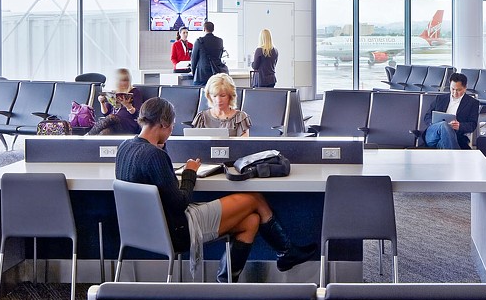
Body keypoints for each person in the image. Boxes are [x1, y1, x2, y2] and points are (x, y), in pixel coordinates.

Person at [115, 97, 318, 282]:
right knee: (254, 198)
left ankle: (226, 283)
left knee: (251, 220)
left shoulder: (125, 147)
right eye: (171, 128)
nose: (170, 132)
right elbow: (179, 203)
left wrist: (162, 145)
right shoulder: (154, 157)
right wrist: (190, 172)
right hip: (178, 230)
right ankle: (286, 251)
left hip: (144, 229)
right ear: (164, 124)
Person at [421, 72, 479, 149]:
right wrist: (434, 123)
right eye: (452, 89)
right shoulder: (440, 99)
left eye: (458, 90)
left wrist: (459, 126)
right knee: (444, 125)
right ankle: (456, 155)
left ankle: (452, 156)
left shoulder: (472, 103)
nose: (455, 92)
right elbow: (427, 116)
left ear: (465, 88)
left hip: (455, 136)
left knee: (442, 143)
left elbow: (472, 125)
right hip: (433, 134)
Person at [87, 68, 141, 135]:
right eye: (121, 80)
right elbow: (106, 113)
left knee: (112, 117)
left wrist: (128, 105)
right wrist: (102, 103)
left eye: (126, 80)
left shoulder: (135, 92)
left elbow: (138, 114)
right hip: (114, 123)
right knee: (104, 133)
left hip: (128, 124)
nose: (124, 83)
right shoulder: (113, 93)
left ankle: (87, 136)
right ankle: (88, 143)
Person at [191, 21, 226, 87]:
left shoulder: (199, 41)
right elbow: (220, 56)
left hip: (202, 75)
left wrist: (193, 73)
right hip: (215, 74)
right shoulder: (219, 41)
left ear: (204, 29)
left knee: (200, 95)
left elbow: (194, 59)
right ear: (213, 29)